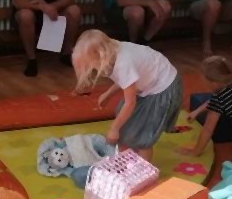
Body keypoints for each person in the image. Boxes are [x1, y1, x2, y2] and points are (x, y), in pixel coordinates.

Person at [72, 29, 182, 163]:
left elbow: (130, 102)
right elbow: (127, 79)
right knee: (125, 119)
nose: (92, 69)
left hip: (163, 86)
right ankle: (129, 157)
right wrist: (108, 94)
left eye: (91, 65)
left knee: (142, 132)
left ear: (101, 55)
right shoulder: (112, 50)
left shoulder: (123, 63)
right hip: (148, 84)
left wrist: (114, 129)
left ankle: (144, 169)